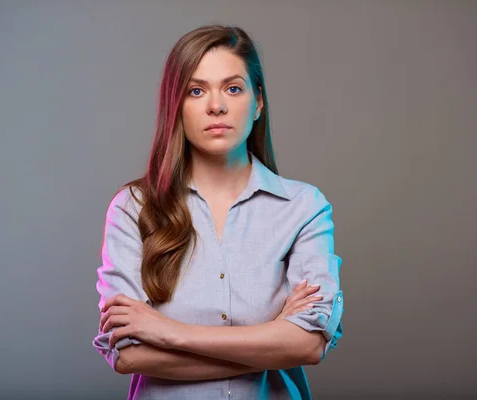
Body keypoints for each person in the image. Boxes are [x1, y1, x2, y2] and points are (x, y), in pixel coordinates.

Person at [92, 24, 344, 400]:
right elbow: (128, 354)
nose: (216, 106)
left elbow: (307, 345)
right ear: (176, 105)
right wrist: (273, 338)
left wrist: (167, 331)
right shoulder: (133, 208)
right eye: (196, 90)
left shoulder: (303, 208)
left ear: (258, 102)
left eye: (233, 88)